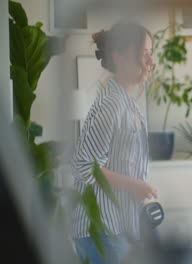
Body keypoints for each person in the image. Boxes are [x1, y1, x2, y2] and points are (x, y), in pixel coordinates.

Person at [71, 22, 156, 264]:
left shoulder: (131, 106)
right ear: (119, 56)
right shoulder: (111, 106)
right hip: (100, 231)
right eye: (143, 54)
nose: (150, 62)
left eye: (151, 53)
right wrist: (132, 185)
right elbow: (84, 165)